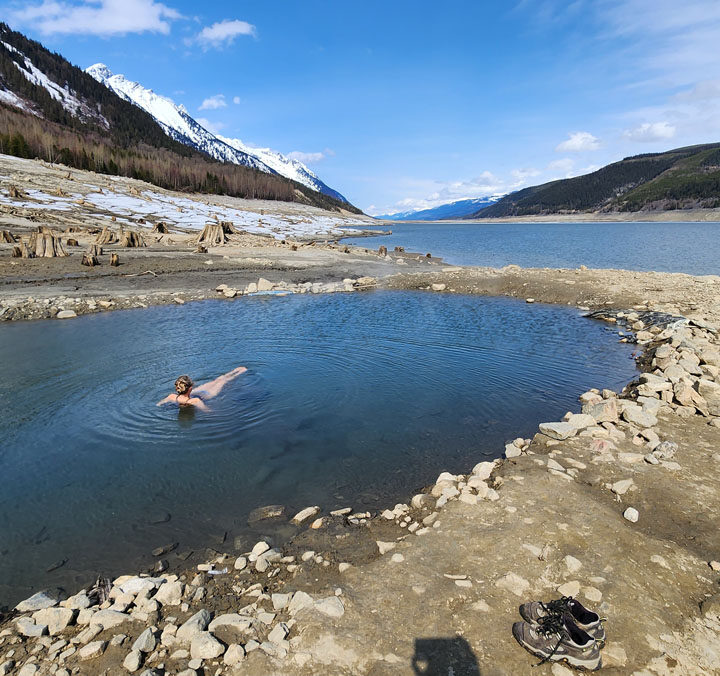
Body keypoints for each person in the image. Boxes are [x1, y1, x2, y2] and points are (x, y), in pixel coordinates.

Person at [157, 366, 247, 411]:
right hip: (201, 392)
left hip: (206, 393)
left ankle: (239, 371)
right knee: (218, 380)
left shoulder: (172, 397)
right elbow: (207, 411)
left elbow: (158, 404)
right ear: (190, 388)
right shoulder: (194, 401)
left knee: (222, 382)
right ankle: (238, 370)